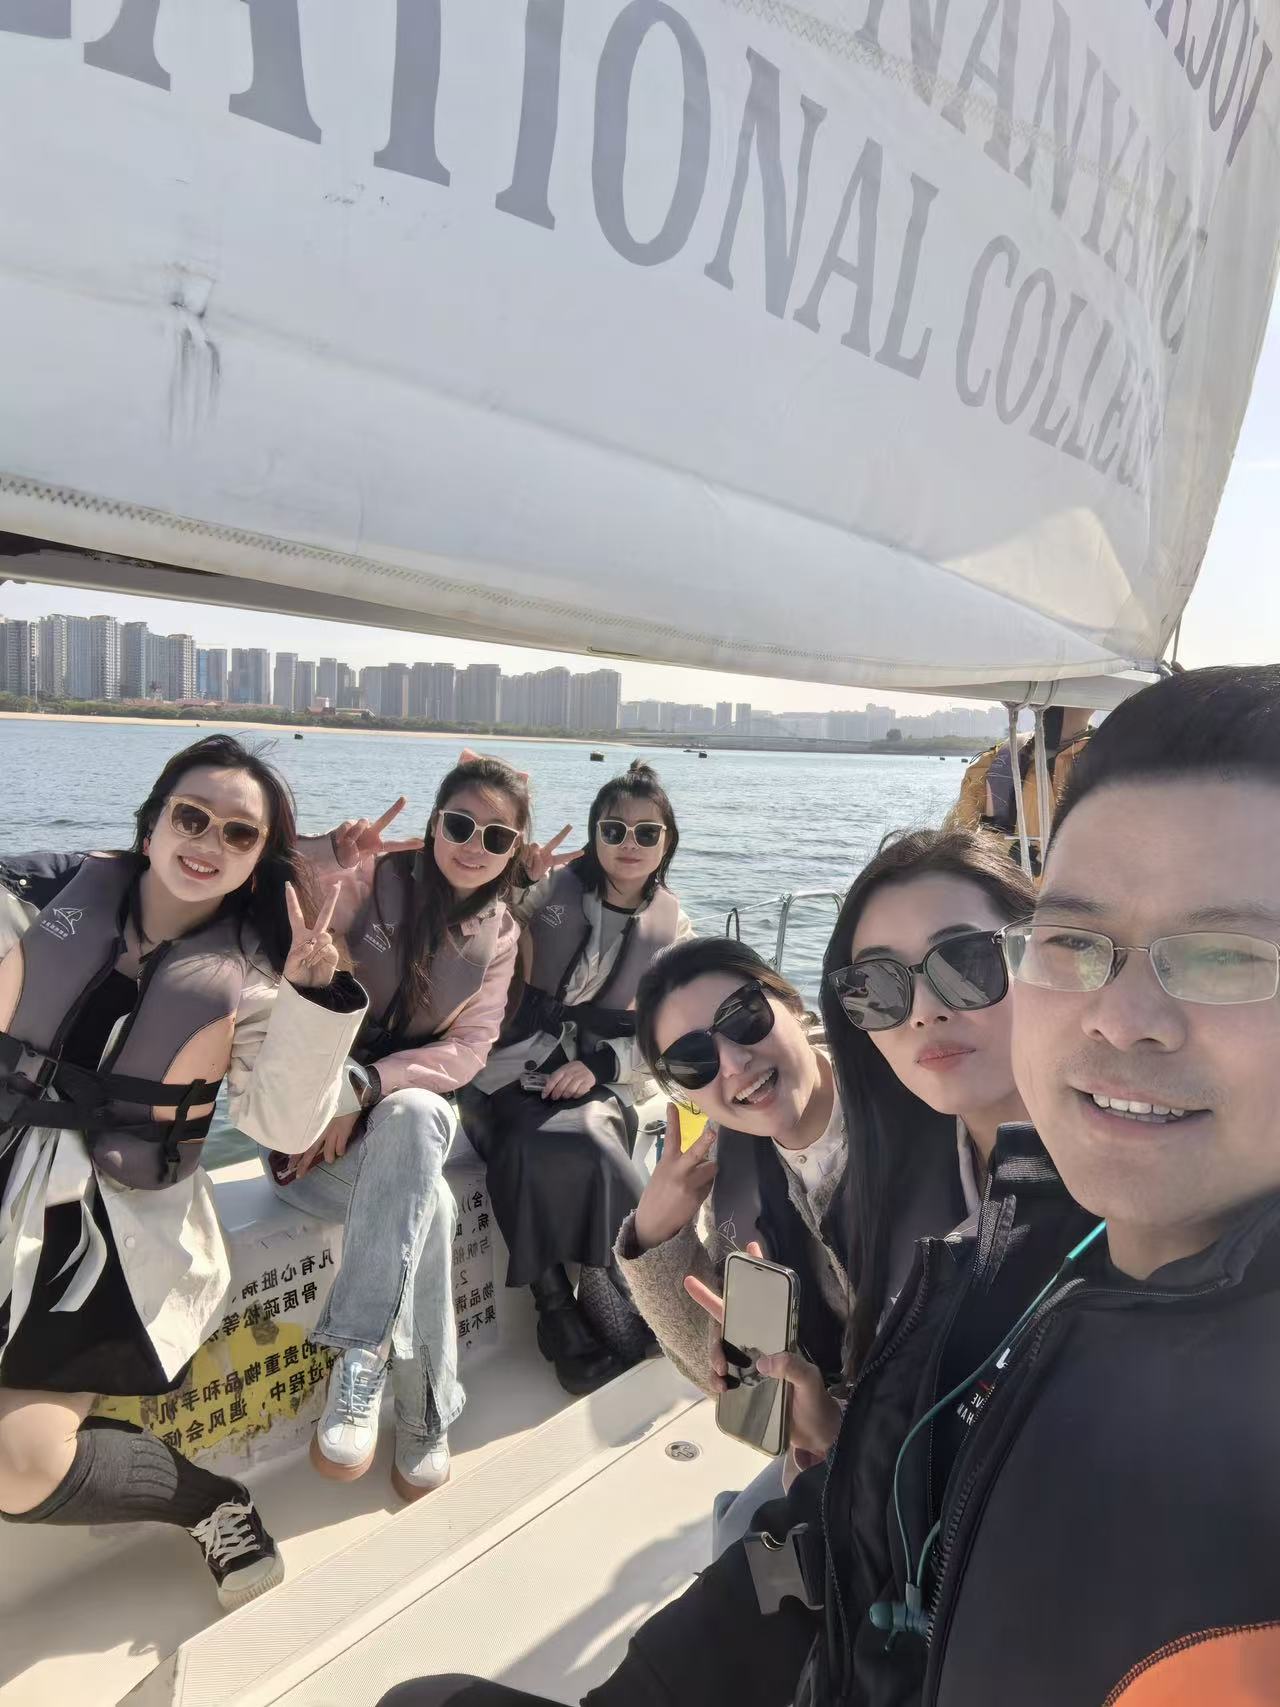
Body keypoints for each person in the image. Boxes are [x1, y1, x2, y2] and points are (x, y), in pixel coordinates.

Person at [382, 663, 1280, 1707]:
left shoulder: (967, 1171)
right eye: (1080, 946)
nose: (1122, 1018)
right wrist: (660, 1249)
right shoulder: (868, 1193)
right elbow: (754, 1389)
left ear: (791, 1008)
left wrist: (831, 1426)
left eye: (1228, 958)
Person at [0, 735, 366, 1610]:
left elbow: (283, 1125)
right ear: (153, 822)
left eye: (239, 834)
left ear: (256, 859)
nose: (208, 842)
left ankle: (207, 1501)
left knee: (21, 1462)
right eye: (192, 817)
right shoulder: (38, 901)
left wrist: (315, 999)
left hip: (105, 1239)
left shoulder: (253, 980)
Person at [622, 830, 1033, 1555]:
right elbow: (736, 1381)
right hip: (844, 1462)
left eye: (744, 1019)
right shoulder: (738, 1166)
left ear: (792, 1004)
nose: (732, 1062)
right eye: (691, 1061)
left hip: (930, 1493)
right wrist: (656, 1237)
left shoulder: (935, 1095)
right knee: (739, 1537)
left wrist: (842, 1437)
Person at [275, 753, 528, 1500]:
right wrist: (330, 852)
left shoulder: (500, 936)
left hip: (391, 1122)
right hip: (307, 1138)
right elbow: (273, 882)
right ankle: (424, 1414)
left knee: (418, 1113)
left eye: (497, 837)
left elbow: (470, 1049)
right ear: (434, 822)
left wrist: (366, 1086)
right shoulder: (370, 879)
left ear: (514, 851)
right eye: (460, 825)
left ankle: (359, 1355)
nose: (474, 846)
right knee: (434, 1206)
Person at [460, 761, 692, 1396]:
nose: (628, 844)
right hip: (506, 1066)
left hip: (604, 1077)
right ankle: (555, 1311)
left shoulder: (675, 932)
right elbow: (475, 930)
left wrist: (602, 1064)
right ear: (593, 835)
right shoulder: (547, 892)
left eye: (647, 833)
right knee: (517, 1138)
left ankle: (616, 1296)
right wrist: (512, 880)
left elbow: (678, 1038)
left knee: (591, 1143)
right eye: (613, 829)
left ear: (667, 842)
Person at [950, 705, 1092, 872]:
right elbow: (961, 843)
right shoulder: (998, 761)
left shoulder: (1108, 760)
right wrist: (1010, 851)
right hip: (1013, 883)